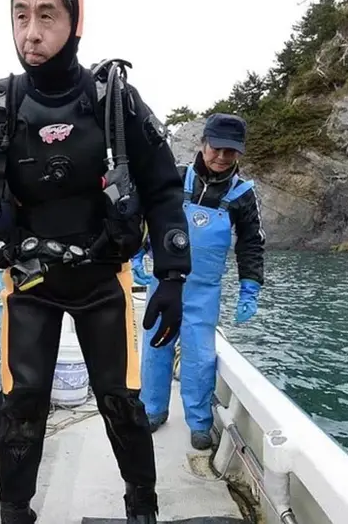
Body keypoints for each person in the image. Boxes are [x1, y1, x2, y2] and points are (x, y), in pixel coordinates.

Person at [0, 0, 192, 524]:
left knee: (121, 403)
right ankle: (14, 514)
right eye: (20, 17)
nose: (31, 32)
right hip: (30, 283)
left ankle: (141, 510)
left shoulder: (113, 100)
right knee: (21, 406)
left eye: (47, 15)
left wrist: (172, 275)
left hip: (103, 279)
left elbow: (165, 186)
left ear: (75, 23)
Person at [141, 113, 265, 450]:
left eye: (231, 152)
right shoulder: (176, 178)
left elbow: (251, 241)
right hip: (163, 282)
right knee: (156, 346)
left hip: (204, 292)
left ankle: (199, 421)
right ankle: (152, 409)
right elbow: (148, 216)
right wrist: (139, 253)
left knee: (200, 356)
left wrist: (249, 286)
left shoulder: (242, 194)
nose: (223, 157)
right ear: (203, 143)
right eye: (217, 148)